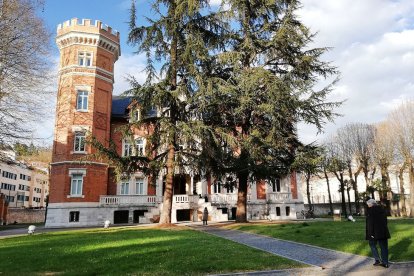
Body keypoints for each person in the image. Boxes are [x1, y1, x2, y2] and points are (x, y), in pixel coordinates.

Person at [366, 198, 390, 268]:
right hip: (383, 232)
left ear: (371, 204)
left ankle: (377, 260)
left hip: (374, 233)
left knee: (372, 245)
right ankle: (385, 263)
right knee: (384, 247)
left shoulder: (370, 211)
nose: (368, 206)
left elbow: (370, 224)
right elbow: (385, 221)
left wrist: (370, 234)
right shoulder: (382, 210)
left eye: (368, 205)